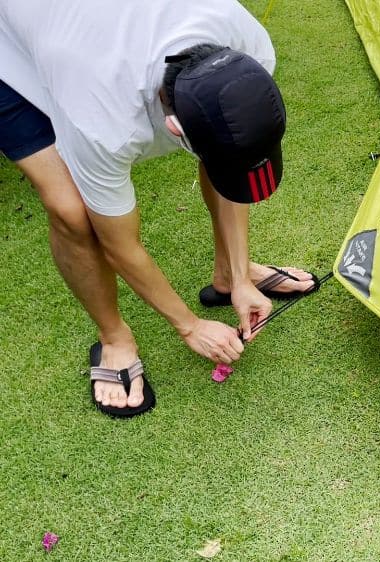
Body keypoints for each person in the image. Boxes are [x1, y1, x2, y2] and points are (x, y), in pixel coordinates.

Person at [0, 0, 318, 418]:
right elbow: (119, 245)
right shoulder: (103, 123)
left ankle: (228, 276)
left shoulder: (248, 46)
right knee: (71, 211)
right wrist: (189, 326)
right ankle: (114, 338)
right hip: (17, 54)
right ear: (174, 130)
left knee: (224, 149)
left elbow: (229, 157)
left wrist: (241, 277)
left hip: (96, 34)